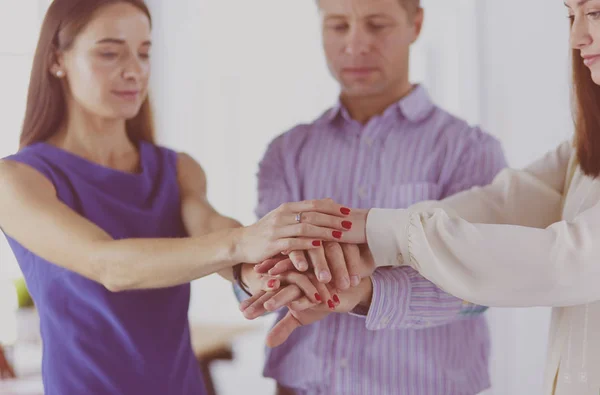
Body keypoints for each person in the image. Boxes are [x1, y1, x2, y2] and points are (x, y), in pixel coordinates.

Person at [0, 1, 352, 394]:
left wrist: (271, 279)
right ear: (56, 59)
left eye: (144, 52)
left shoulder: (178, 169)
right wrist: (242, 243)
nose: (134, 70)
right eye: (109, 52)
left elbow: (215, 230)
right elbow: (108, 265)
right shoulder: (18, 181)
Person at [254, 0, 600, 394]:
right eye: (570, 16)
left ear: (415, 23)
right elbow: (501, 205)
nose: (574, 38)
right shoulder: (583, 147)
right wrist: (370, 239)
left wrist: (371, 265)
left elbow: (568, 261)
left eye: (595, 13)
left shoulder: (466, 147)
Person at [238, 0, 507, 394]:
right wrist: (262, 278)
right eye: (338, 26)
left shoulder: (470, 151)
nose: (356, 44)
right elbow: (256, 265)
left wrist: (366, 293)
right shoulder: (286, 152)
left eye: (377, 25)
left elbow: (481, 288)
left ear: (416, 23)